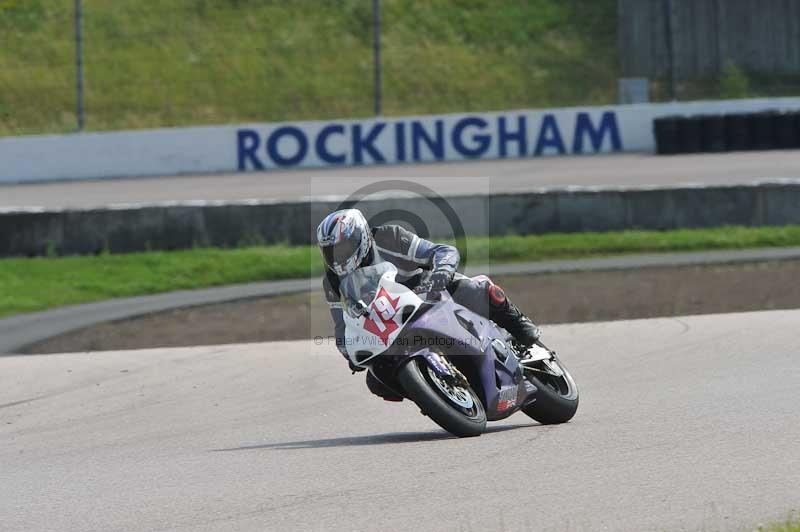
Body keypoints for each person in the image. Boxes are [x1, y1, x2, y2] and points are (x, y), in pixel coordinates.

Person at [317, 208, 542, 400]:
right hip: (390, 324)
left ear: (361, 236)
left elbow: (442, 251)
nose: (338, 256)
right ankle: (433, 393)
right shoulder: (333, 281)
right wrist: (349, 352)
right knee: (377, 380)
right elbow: (342, 326)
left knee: (473, 290)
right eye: (330, 252)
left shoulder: (389, 237)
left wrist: (441, 272)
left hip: (429, 291)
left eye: (343, 247)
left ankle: (517, 323)